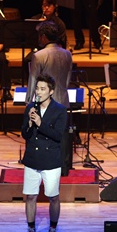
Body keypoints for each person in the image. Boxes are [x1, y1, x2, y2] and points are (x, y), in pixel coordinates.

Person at [20, 74, 67, 232]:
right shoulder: (30, 108)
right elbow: (24, 134)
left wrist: (40, 123)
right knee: (30, 196)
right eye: (37, 89)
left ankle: (53, 229)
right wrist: (29, 125)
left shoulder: (60, 110)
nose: (38, 92)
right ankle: (31, 230)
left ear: (51, 91)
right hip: (32, 158)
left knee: (53, 197)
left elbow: (58, 135)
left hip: (51, 160)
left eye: (42, 89)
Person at [25, 20, 73, 175]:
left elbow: (33, 81)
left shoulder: (39, 55)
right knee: (62, 135)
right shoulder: (67, 54)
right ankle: (64, 167)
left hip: (46, 102)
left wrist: (29, 102)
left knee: (43, 134)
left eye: (40, 36)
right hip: (63, 100)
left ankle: (42, 164)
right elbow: (67, 80)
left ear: (44, 37)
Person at [22, 0, 68, 80]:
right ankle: (32, 83)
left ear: (54, 7)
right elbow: (29, 37)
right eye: (44, 5)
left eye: (49, 5)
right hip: (39, 49)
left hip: (54, 51)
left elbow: (61, 43)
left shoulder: (59, 23)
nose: (46, 8)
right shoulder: (35, 19)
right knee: (27, 60)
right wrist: (37, 24)